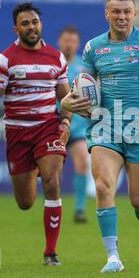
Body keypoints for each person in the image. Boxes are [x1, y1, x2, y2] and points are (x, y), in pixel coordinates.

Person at [61, 0, 139, 273]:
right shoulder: (93, 48)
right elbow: (82, 89)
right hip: (105, 128)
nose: (122, 16)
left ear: (134, 14)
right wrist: (67, 102)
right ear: (107, 14)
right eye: (116, 11)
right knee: (102, 186)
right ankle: (113, 257)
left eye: (127, 11)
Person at [0, 2, 72, 266]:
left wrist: (65, 122)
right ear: (16, 28)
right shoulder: (6, 59)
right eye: (25, 23)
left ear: (41, 24)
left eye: (35, 22)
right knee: (25, 203)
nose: (32, 27)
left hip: (47, 128)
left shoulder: (56, 58)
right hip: (18, 134)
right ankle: (35, 167)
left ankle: (50, 252)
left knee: (53, 181)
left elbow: (65, 97)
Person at [57, 26, 91, 223]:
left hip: (77, 127)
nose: (69, 44)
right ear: (59, 41)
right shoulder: (53, 63)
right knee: (53, 170)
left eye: (73, 40)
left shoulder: (82, 67)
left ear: (77, 44)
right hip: (55, 124)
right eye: (66, 40)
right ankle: (53, 204)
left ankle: (79, 209)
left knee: (82, 164)